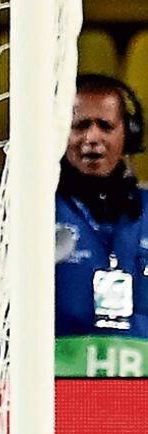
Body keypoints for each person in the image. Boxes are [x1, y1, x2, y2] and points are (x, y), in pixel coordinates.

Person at [56, 73, 148, 337]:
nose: (92, 137)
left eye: (105, 126)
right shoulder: (35, 212)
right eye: (80, 126)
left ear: (128, 134)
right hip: (57, 365)